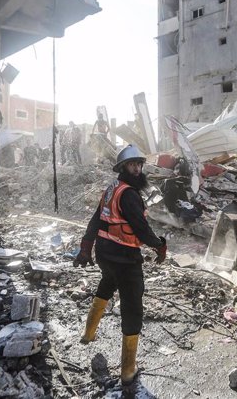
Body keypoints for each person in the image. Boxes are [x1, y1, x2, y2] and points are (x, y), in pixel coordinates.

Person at [73, 144, 167, 386]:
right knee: (132, 306)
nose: (137, 169)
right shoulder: (129, 194)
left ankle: (88, 334)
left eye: (139, 164)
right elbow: (141, 229)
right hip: (124, 257)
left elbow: (96, 219)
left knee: (106, 284)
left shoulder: (112, 188)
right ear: (123, 167)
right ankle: (127, 370)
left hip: (106, 254)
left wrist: (86, 247)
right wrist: (159, 245)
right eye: (132, 165)